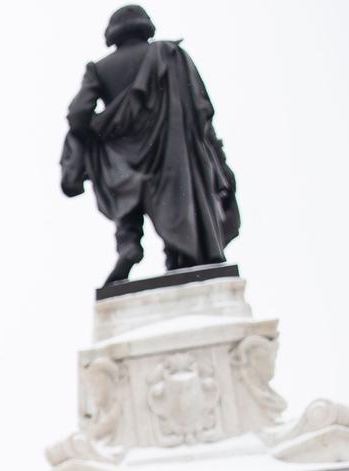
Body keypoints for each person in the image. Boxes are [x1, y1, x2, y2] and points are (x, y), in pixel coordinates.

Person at [62, 5, 240, 285]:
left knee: (126, 191)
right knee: (177, 201)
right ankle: (179, 256)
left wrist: (100, 129)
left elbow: (77, 114)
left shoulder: (99, 69)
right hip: (171, 152)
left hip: (120, 156)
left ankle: (128, 243)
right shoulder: (171, 56)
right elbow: (201, 108)